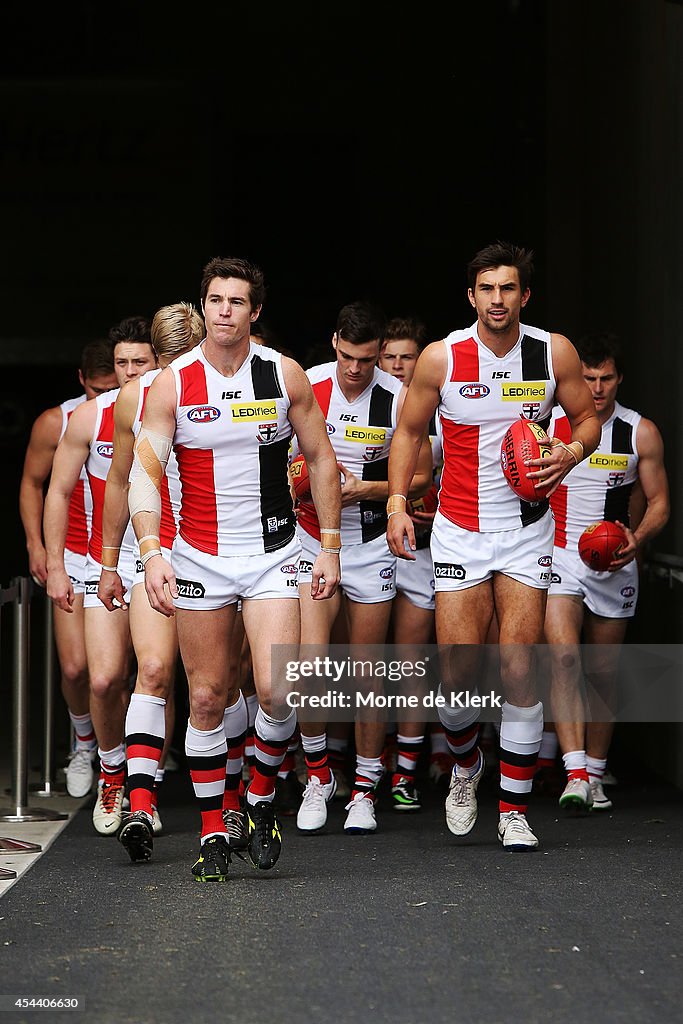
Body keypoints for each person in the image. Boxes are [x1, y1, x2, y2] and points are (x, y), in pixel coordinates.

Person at [127, 256, 341, 882]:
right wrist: (150, 552)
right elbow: (144, 473)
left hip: (274, 553)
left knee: (277, 691)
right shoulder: (173, 384)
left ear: (255, 312)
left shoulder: (283, 374)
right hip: (199, 557)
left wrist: (328, 545)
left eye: (236, 301)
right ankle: (213, 830)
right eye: (215, 300)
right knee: (209, 696)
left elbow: (321, 460)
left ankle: (258, 800)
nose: (224, 311)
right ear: (205, 307)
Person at [386, 240, 600, 851]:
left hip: (528, 530)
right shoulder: (441, 357)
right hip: (458, 528)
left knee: (517, 665)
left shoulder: (552, 351)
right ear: (471, 296)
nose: (497, 299)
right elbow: (408, 432)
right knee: (457, 677)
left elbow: (585, 419)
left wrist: (571, 451)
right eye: (487, 289)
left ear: (524, 296)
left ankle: (512, 809)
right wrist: (398, 503)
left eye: (509, 288)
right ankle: (464, 763)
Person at [293, 301, 433, 836]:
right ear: (334, 344)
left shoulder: (399, 397)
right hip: (310, 539)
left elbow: (421, 477)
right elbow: (273, 455)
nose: (356, 368)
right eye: (348, 356)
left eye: (367, 359)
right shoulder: (307, 384)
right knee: (307, 666)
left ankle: (364, 790)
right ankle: (316, 777)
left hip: (373, 541)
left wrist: (362, 489)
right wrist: (298, 481)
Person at [95, 302, 204, 862]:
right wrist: (110, 560)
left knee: (223, 683)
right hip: (153, 546)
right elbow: (118, 480)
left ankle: (228, 800)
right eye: (169, 360)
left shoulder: (235, 380)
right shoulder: (138, 396)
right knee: (155, 669)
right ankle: (141, 800)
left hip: (220, 548)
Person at [545, 332, 670, 813]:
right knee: (562, 659)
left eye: (606, 378)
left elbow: (660, 502)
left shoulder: (641, 432)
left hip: (616, 558)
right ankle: (574, 770)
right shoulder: (551, 424)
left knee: (602, 672)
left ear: (620, 379)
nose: (596, 388)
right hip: (559, 553)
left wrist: (637, 539)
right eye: (589, 377)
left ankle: (595, 772)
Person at [44, 317, 157, 835]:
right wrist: (52, 563)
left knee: (155, 676)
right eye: (122, 363)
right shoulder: (90, 417)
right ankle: (111, 770)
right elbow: (58, 491)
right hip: (100, 561)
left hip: (162, 559)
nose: (131, 372)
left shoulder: (177, 409)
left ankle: (143, 790)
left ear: (158, 363)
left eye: (141, 362)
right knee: (105, 677)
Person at [19, 339, 118, 797]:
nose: (104, 397)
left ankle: (132, 758)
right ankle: (83, 745)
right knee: (77, 668)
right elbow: (33, 483)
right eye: (96, 389)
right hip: (74, 554)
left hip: (124, 555)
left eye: (111, 387)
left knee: (123, 671)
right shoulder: (57, 421)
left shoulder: (138, 409)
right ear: (81, 381)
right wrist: (37, 547)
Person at [378, 316, 441, 811]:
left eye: (407, 356)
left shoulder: (443, 403)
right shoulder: (358, 399)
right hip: (364, 545)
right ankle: (343, 763)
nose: (398, 365)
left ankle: (405, 769)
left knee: (410, 661)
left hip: (425, 546)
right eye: (390, 356)